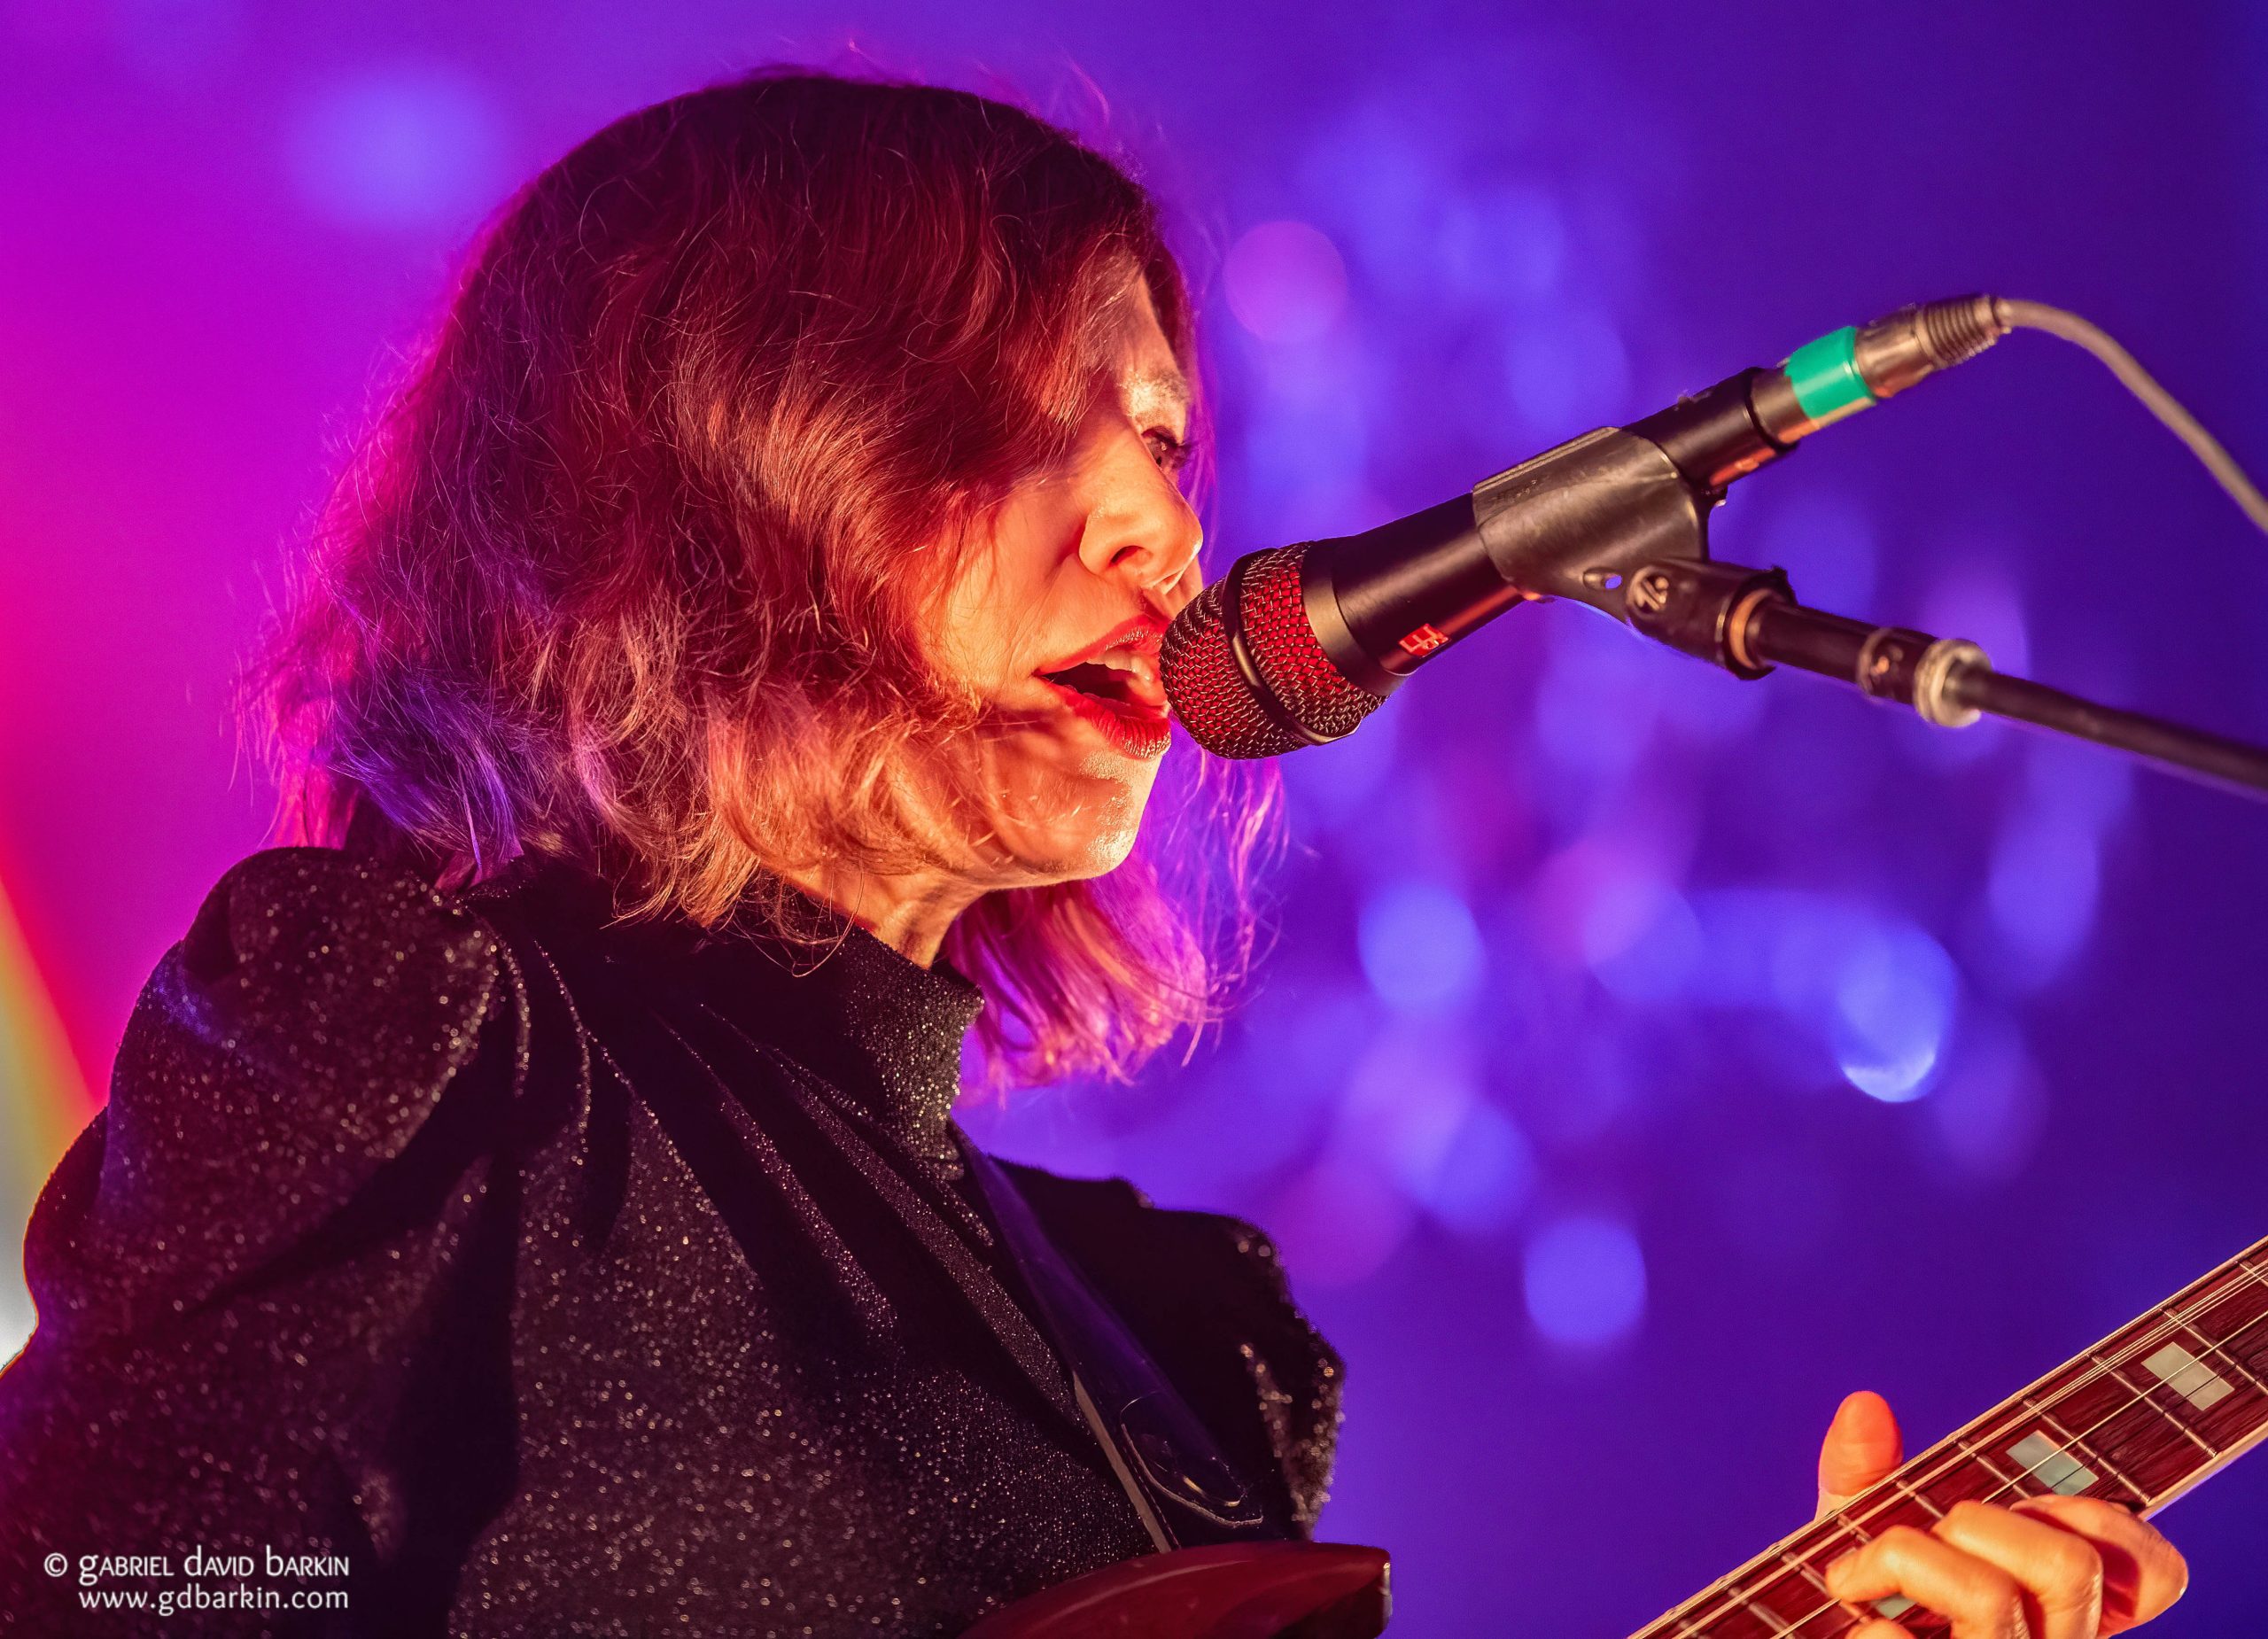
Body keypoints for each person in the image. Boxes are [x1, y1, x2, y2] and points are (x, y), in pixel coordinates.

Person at [0, 70, 2187, 1638]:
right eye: (1017, 418)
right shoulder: (422, 1029)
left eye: (1157, 430)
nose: (1160, 523)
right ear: (706, 465)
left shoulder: (1183, 1346)